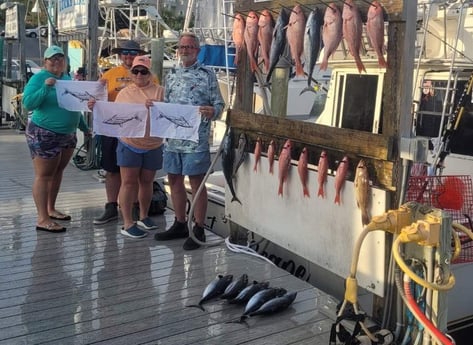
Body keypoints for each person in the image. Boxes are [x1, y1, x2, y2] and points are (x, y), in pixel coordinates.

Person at [154, 32, 225, 250]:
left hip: (196, 140)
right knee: (174, 180)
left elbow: (220, 106)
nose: (185, 50)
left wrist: (212, 111)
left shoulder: (207, 74)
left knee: (197, 184)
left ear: (197, 50)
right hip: (173, 140)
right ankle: (180, 223)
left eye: (190, 47)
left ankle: (199, 228)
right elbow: (165, 104)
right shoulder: (172, 74)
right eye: (181, 47)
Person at [88, 55, 164, 238]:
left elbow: (168, 112)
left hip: (153, 143)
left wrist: (158, 107)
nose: (139, 74)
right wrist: (95, 107)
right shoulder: (124, 93)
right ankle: (127, 222)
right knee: (128, 182)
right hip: (129, 143)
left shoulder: (161, 91)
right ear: (131, 73)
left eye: (143, 71)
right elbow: (111, 113)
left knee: (146, 182)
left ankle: (143, 215)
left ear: (149, 73)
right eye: (136, 71)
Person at [22, 45, 90, 233]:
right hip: (44, 132)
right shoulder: (38, 78)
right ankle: (42, 218)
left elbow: (74, 106)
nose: (56, 61)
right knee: (44, 176)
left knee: (58, 171)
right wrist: (45, 88)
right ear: (45, 61)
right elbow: (27, 104)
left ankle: (51, 208)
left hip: (67, 134)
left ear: (65, 62)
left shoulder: (67, 78)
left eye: (60, 58)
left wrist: (85, 128)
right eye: (52, 58)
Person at [93, 40, 148, 225]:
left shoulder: (148, 75)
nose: (128, 55)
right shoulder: (109, 74)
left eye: (133, 52)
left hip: (137, 132)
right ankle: (111, 206)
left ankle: (133, 208)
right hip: (113, 129)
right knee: (111, 170)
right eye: (125, 52)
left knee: (136, 175)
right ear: (119, 55)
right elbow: (97, 98)